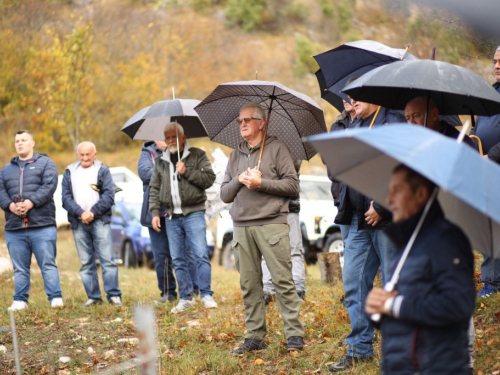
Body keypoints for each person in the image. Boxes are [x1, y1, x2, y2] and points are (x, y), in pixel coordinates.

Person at [365, 164, 475, 374]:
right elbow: (405, 312)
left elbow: (457, 305)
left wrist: (393, 305)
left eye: (397, 191)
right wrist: (376, 310)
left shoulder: (446, 241)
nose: (389, 200)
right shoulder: (407, 244)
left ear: (421, 194)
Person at [329, 88, 404, 372]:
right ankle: (359, 349)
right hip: (357, 219)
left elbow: (404, 169)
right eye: (349, 97)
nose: (351, 102)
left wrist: (383, 206)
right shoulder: (355, 124)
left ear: (374, 94)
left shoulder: (394, 122)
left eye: (357, 95)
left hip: (387, 220)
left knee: (392, 287)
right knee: (353, 285)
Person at [221, 102, 304, 355]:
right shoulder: (235, 155)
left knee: (282, 281)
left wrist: (262, 183)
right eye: (240, 121)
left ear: (261, 123)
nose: (243, 124)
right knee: (249, 283)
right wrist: (238, 180)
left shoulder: (278, 148)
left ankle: (295, 336)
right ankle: (255, 336)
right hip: (242, 226)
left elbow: (293, 186)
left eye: (248, 120)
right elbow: (224, 194)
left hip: (271, 224)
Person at [149, 122, 217, 313]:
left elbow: (208, 179)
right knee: (177, 258)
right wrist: (155, 212)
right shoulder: (161, 161)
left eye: (174, 137)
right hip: (171, 216)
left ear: (183, 138)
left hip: (194, 213)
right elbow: (154, 188)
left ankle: (206, 294)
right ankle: (186, 297)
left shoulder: (197, 155)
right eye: (167, 137)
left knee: (200, 254)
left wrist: (186, 171)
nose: (170, 141)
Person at [0, 130, 63, 311]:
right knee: (20, 268)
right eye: (17, 141)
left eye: (24, 140)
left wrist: (30, 202)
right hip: (14, 227)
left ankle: (55, 298)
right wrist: (10, 206)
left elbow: (49, 186)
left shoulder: (46, 163)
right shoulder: (6, 169)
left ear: (32, 143)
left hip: (42, 224)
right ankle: (20, 300)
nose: (20, 143)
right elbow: (1, 191)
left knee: (48, 264)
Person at [62, 141, 122, 307]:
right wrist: (81, 213)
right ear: (78, 154)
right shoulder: (69, 171)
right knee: (85, 262)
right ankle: (94, 297)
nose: (85, 157)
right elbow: (65, 198)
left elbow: (109, 196)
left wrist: (92, 212)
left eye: (89, 154)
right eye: (82, 154)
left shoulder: (103, 170)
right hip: (78, 221)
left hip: (100, 220)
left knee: (108, 260)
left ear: (95, 154)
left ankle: (114, 295)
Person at [138, 140, 200, 303]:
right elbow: (145, 174)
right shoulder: (147, 152)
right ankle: (168, 292)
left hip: (180, 212)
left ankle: (192, 290)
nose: (163, 140)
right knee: (161, 256)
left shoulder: (185, 150)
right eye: (159, 136)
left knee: (186, 254)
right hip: (156, 212)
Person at [470, 46, 500, 297]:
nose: (497, 66)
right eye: (495, 61)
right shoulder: (490, 93)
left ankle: (493, 283)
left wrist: (491, 155)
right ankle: (491, 282)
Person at [261, 159, 306, 303]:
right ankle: (268, 290)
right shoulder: (264, 147)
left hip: (290, 207)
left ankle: (298, 289)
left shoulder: (292, 150)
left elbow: (293, 170)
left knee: (294, 249)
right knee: (266, 250)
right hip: (268, 207)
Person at [404, 96, 475, 148]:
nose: (411, 123)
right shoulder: (410, 142)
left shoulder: (459, 142)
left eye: (416, 115)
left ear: (434, 115)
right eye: (408, 118)